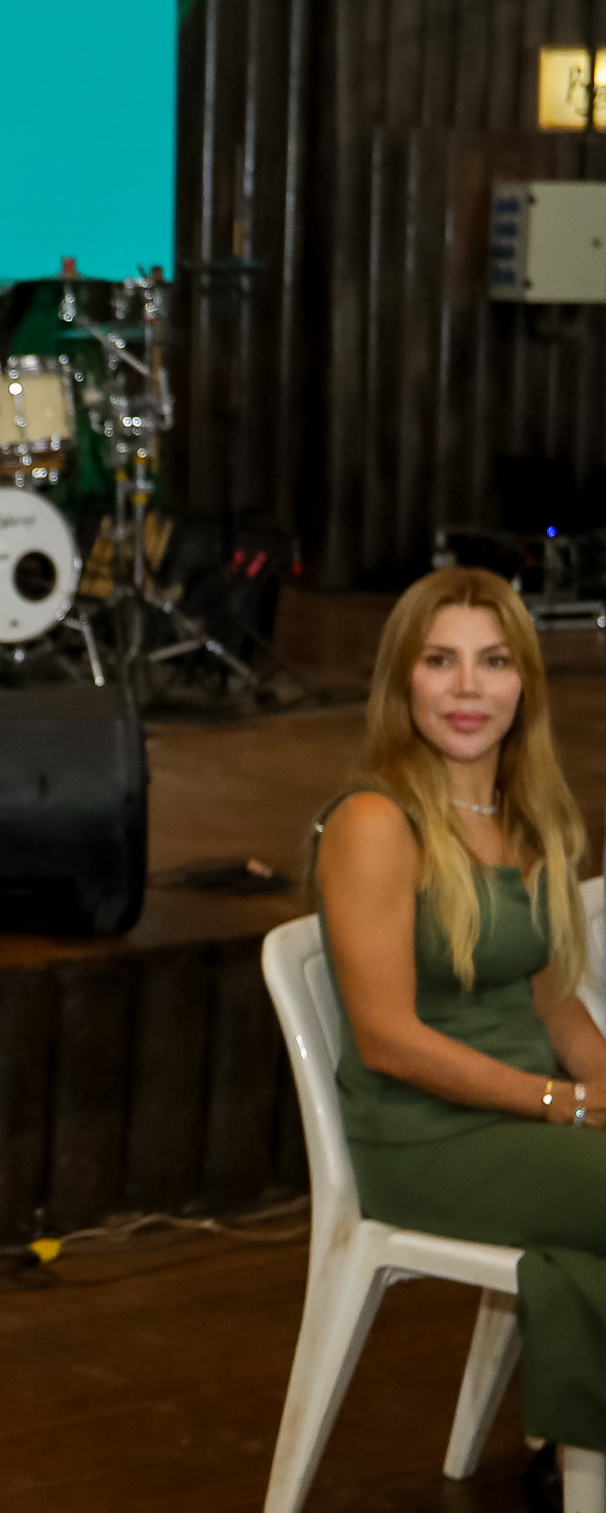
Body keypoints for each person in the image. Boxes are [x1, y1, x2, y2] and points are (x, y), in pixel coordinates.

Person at [315, 567, 606, 1510]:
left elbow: (556, 1005)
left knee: (584, 1254)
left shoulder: (530, 816)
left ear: (526, 683)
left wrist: (603, 1088)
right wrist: (565, 1105)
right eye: (441, 661)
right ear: (402, 679)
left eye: (494, 662)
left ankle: (574, 1462)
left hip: (525, 1120)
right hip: (425, 1138)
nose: (469, 688)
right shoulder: (374, 821)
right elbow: (389, 1040)